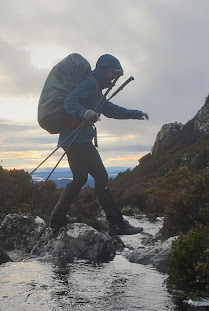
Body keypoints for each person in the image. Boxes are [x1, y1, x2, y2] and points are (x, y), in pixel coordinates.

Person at [50, 54, 148, 235]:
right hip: (76, 139)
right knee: (101, 177)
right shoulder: (89, 84)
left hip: (73, 139)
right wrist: (84, 113)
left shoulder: (96, 90)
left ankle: (57, 219)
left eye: (116, 74)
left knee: (80, 178)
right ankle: (116, 224)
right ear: (104, 70)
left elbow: (110, 110)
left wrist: (135, 113)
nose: (114, 77)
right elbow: (69, 102)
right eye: (113, 73)